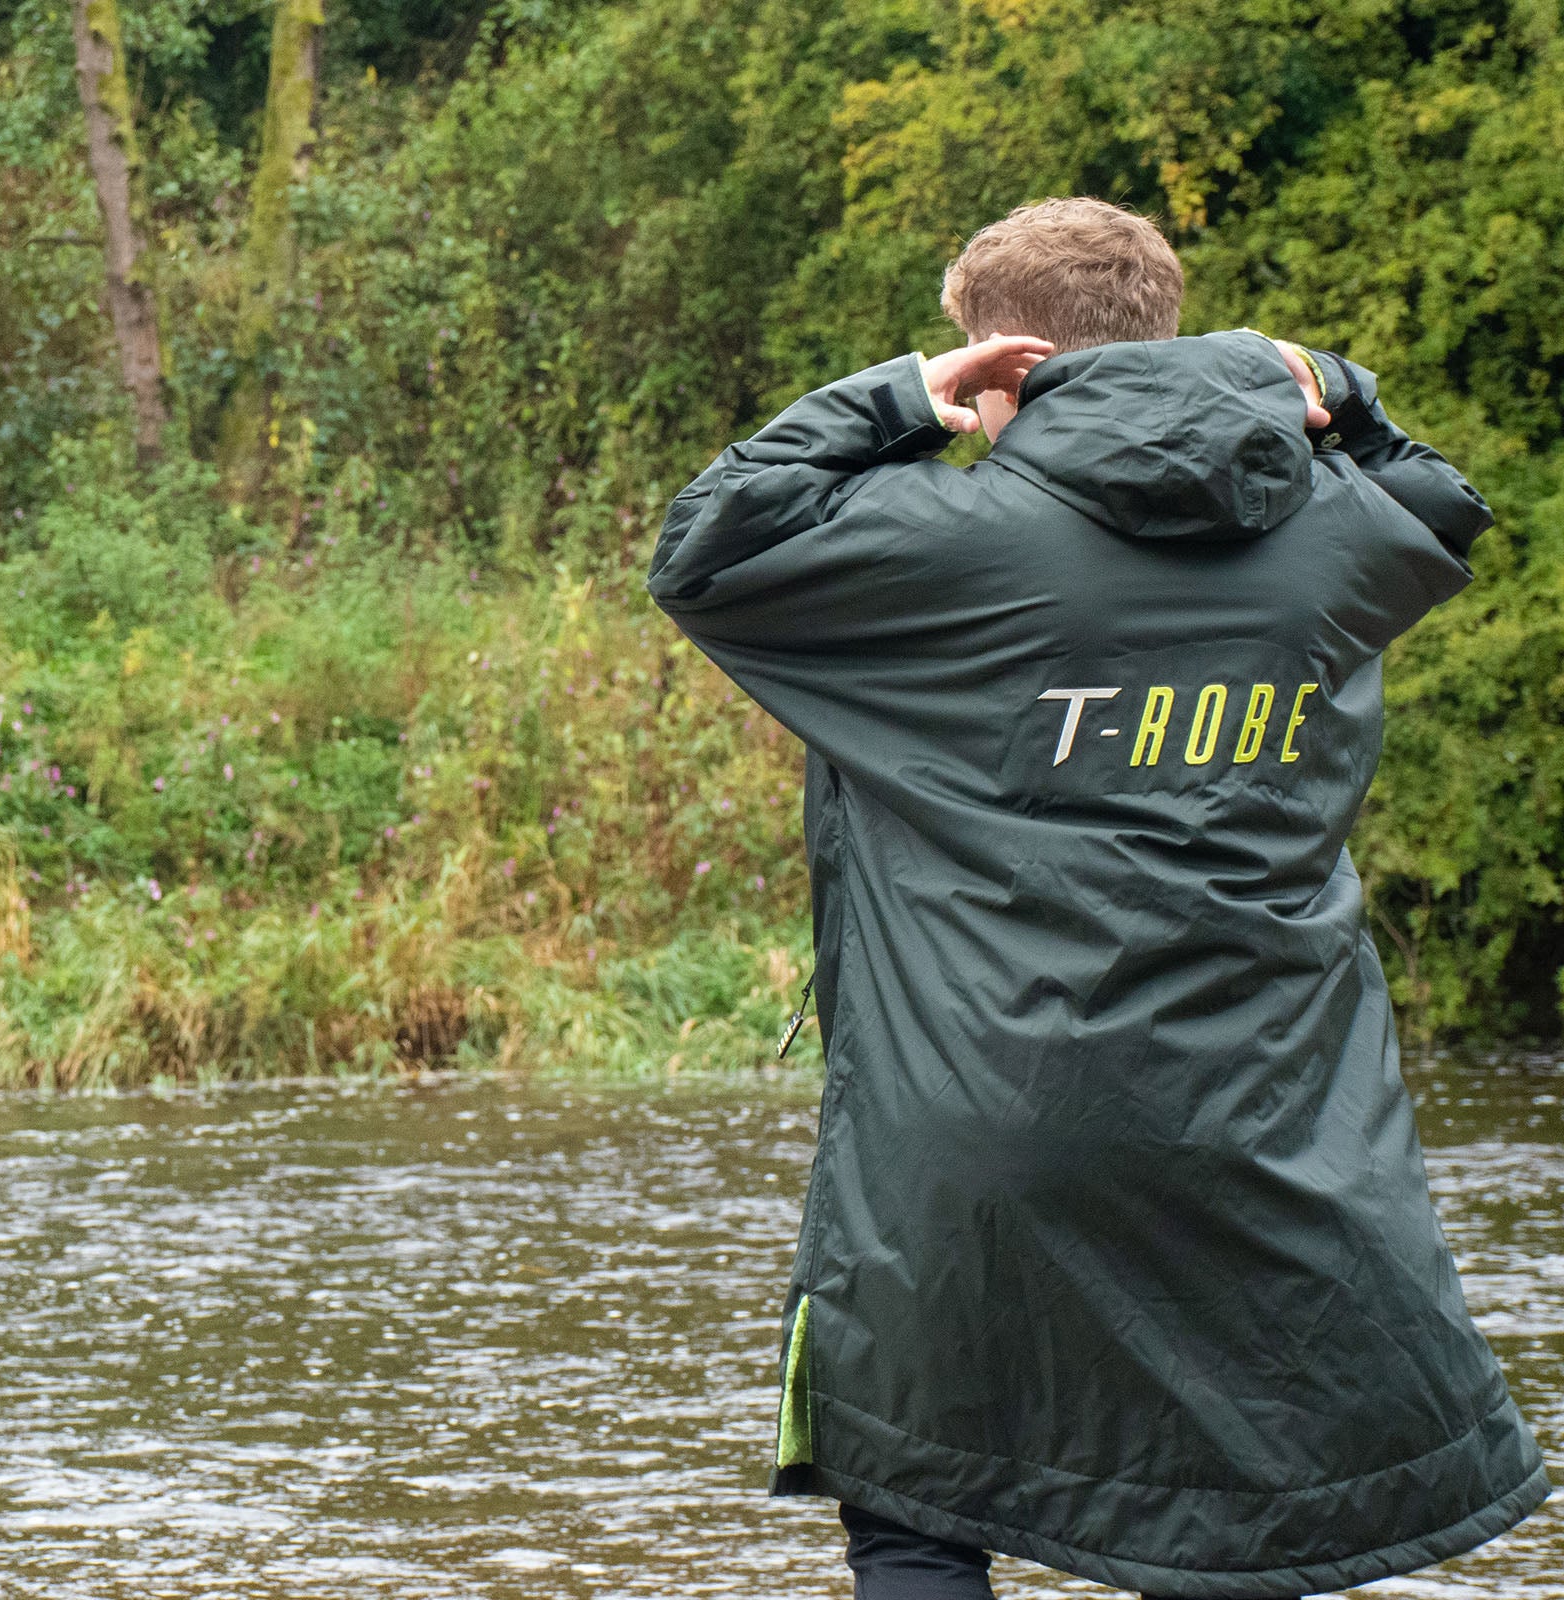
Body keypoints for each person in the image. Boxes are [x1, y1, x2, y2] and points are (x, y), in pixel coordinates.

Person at [651, 197, 1545, 1598]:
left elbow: (705, 547)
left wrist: (897, 399)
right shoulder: (1330, 541)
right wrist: (1335, 394)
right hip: (1265, 1125)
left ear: (997, 357)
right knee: (1250, 1507)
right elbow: (1444, 506)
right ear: (1168, 328)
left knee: (914, 1503)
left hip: (979, 1123)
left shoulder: (940, 546)